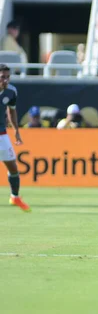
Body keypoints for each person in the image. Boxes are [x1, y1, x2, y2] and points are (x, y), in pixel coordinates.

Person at [0, 65, 30, 212]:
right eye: (2, 77)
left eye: (7, 77)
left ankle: (15, 197)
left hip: (2, 135)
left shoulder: (11, 91)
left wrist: (16, 130)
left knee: (13, 167)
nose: (5, 80)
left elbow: (11, 112)